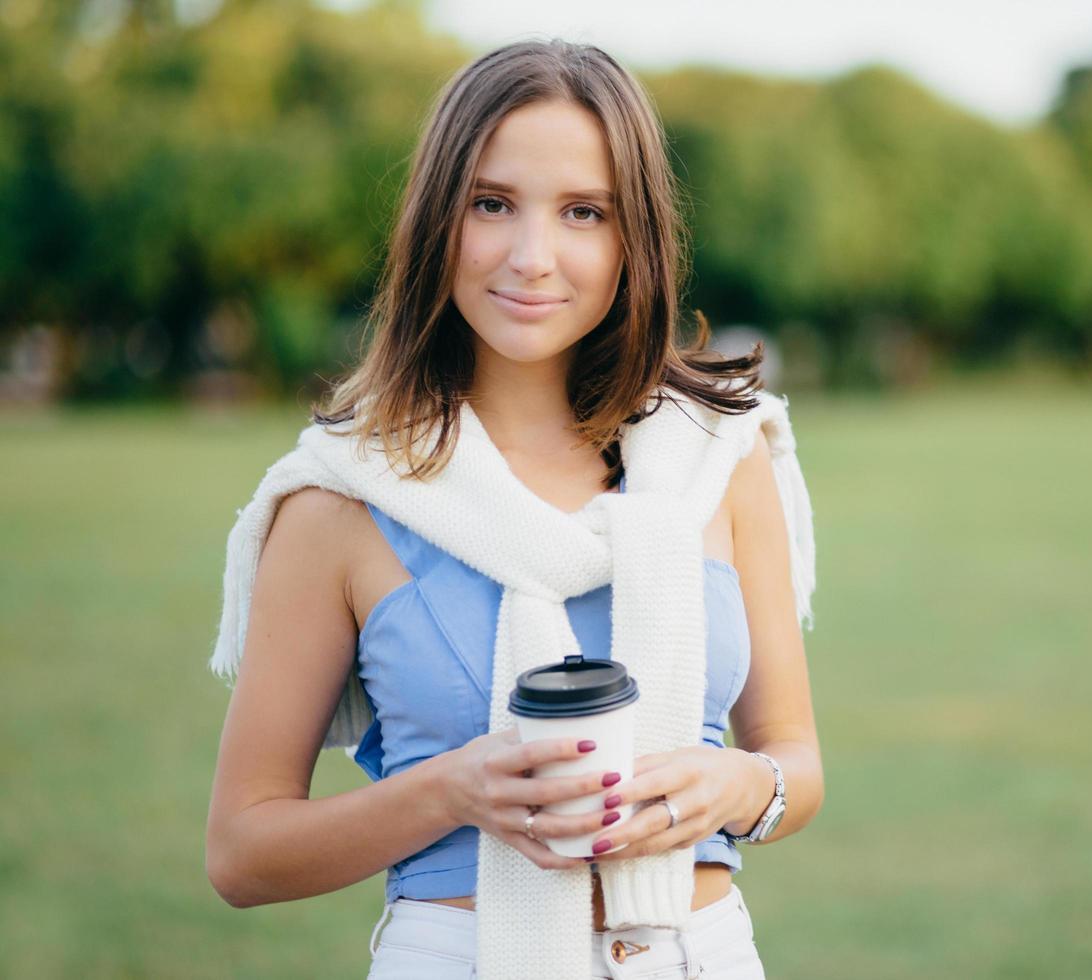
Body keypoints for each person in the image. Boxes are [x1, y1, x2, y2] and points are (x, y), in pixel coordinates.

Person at [204, 39, 823, 979]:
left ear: (634, 238)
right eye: (491, 204)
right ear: (435, 221)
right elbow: (243, 854)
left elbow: (796, 764)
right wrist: (457, 791)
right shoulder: (340, 498)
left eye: (584, 212)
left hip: (702, 955)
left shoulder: (717, 458)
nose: (533, 257)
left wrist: (738, 782)